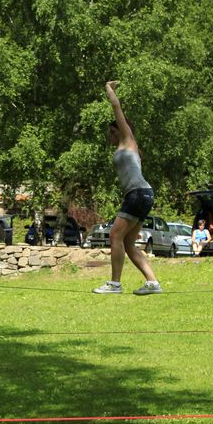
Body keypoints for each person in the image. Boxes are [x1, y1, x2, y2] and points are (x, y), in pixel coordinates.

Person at [93, 81, 161, 295]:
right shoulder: (127, 147)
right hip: (143, 194)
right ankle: (153, 283)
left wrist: (109, 89)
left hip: (138, 194)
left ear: (120, 131)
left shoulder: (128, 139)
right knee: (129, 243)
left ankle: (115, 284)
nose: (109, 136)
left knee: (115, 236)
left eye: (111, 132)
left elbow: (116, 108)